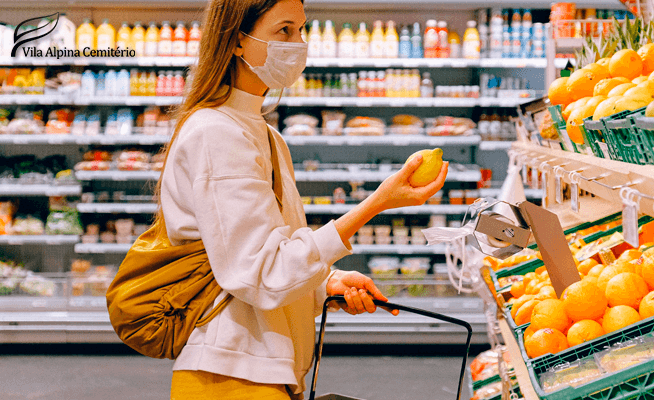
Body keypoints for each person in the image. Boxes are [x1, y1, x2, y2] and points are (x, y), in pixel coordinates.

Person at [161, 0, 448, 398]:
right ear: (236, 41)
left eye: (301, 30)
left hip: (265, 370)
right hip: (230, 375)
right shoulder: (216, 133)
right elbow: (261, 272)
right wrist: (376, 204)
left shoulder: (263, 134)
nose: (298, 44)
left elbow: (267, 254)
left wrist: (324, 284)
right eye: (284, 31)